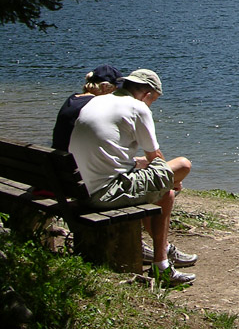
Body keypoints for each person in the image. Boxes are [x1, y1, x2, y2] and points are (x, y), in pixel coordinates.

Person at [68, 68, 198, 285]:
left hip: (79, 188)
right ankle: (162, 265)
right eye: (153, 100)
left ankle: (162, 259)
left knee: (165, 194)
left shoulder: (97, 101)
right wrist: (173, 179)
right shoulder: (138, 107)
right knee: (182, 165)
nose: (151, 105)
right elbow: (155, 157)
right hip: (103, 195)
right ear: (147, 94)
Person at [51, 64, 123, 152]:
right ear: (104, 87)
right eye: (116, 89)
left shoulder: (72, 98)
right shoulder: (94, 104)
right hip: (74, 161)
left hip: (58, 158)